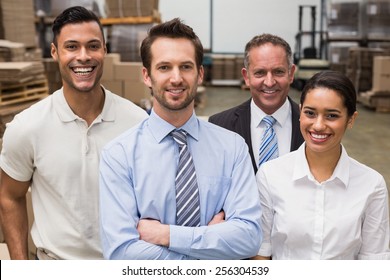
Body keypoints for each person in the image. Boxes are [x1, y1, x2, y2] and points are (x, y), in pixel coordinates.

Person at [99, 18, 262, 260]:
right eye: (164, 67)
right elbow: (122, 253)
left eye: (186, 67)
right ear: (146, 75)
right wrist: (210, 244)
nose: (176, 78)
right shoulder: (118, 155)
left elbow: (249, 238)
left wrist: (167, 235)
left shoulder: (233, 148)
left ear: (200, 74)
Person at [0, 6, 148, 260]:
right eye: (71, 47)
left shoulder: (138, 123)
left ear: (104, 50)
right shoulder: (27, 127)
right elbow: (10, 197)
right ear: (55, 53)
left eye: (93, 46)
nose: (83, 56)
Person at [254, 70, 390, 260]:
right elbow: (261, 253)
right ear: (300, 112)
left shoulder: (372, 185)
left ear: (351, 119)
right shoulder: (270, 175)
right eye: (310, 113)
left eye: (331, 116)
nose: (318, 125)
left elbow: (374, 259)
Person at [209, 34, 304, 172]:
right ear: (246, 77)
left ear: (291, 74)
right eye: (260, 73)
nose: (270, 82)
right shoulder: (220, 127)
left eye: (278, 72)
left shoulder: (311, 125)